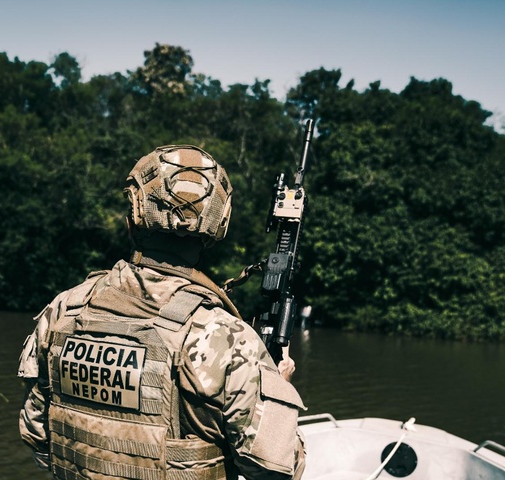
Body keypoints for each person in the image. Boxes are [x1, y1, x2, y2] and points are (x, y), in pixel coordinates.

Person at [18, 145, 307, 480]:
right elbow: (277, 470)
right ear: (218, 228)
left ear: (132, 219)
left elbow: (37, 435)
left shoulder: (66, 309)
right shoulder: (224, 337)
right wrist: (278, 386)